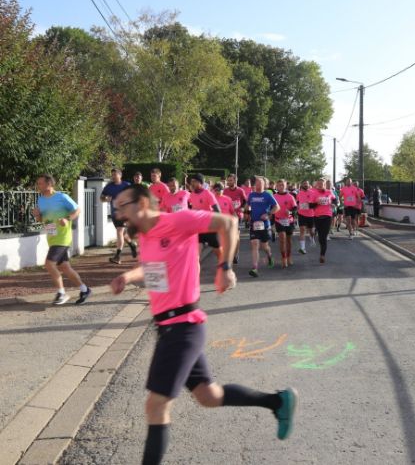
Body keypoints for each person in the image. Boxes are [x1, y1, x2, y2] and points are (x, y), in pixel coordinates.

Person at [110, 185, 297, 464]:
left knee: (156, 405)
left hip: (182, 326)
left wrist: (225, 268)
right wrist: (127, 276)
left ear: (142, 203)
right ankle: (277, 401)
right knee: (209, 396)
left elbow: (228, 222)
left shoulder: (177, 220)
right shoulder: (146, 236)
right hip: (169, 327)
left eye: (122, 205)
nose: (118, 213)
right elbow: (153, 269)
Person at [33, 174, 91, 305]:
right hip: (52, 236)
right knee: (65, 267)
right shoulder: (40, 200)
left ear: (49, 184)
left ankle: (61, 293)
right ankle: (85, 289)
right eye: (38, 183)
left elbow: (77, 210)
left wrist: (67, 219)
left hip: (63, 237)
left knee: (49, 264)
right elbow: (42, 219)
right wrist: (37, 215)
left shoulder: (62, 197)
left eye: (40, 183)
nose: (38, 186)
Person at [101, 168, 138, 264]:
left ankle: (117, 256)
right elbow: (101, 198)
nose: (113, 176)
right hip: (114, 214)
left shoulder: (126, 185)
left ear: (120, 175)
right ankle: (132, 244)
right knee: (123, 233)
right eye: (112, 175)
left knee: (119, 231)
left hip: (125, 213)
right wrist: (105, 198)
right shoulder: (109, 186)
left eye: (115, 174)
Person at [246, 176, 279, 277]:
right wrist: (247, 214)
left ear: (264, 185)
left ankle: (269, 255)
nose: (258, 185)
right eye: (257, 183)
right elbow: (247, 206)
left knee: (264, 246)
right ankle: (255, 268)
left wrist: (268, 214)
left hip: (264, 224)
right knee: (255, 244)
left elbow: (277, 207)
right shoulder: (251, 195)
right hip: (254, 223)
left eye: (260, 183)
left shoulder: (267, 195)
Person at [188, 173, 222, 260]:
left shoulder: (207, 193)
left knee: (218, 252)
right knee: (196, 255)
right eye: (191, 181)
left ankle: (224, 264)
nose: (192, 183)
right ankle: (195, 268)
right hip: (198, 227)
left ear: (200, 182)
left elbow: (218, 210)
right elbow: (192, 208)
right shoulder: (192, 194)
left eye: (194, 181)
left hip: (209, 227)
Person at [222, 173, 247, 264]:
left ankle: (236, 254)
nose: (229, 182)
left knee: (236, 236)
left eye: (231, 180)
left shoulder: (240, 191)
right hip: (227, 216)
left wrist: (243, 208)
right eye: (228, 180)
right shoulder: (225, 191)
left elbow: (245, 201)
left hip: (237, 215)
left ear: (235, 180)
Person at [311, 178, 335, 264]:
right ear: (317, 185)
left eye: (322, 184)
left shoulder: (329, 192)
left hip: (327, 216)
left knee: (323, 237)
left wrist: (334, 204)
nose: (321, 185)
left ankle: (322, 255)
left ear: (325, 185)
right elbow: (310, 206)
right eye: (319, 184)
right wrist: (317, 203)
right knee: (320, 237)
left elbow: (335, 200)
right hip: (317, 217)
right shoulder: (314, 193)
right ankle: (322, 251)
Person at [273, 179, 297, 268]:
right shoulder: (274, 196)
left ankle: (289, 256)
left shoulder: (290, 196)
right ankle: (283, 258)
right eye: (279, 185)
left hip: (289, 221)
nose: (281, 187)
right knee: (282, 239)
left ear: (286, 186)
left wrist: (290, 212)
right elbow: (270, 207)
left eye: (283, 185)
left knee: (289, 240)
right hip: (278, 220)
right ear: (276, 186)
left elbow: (295, 209)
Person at [296, 180, 316, 254]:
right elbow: (297, 203)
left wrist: (310, 205)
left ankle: (312, 238)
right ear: (302, 185)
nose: (305, 185)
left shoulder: (313, 193)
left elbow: (316, 203)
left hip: (311, 215)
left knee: (312, 231)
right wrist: (298, 207)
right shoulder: (299, 194)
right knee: (302, 230)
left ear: (309, 184)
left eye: (307, 184)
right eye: (304, 184)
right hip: (301, 214)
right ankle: (302, 248)